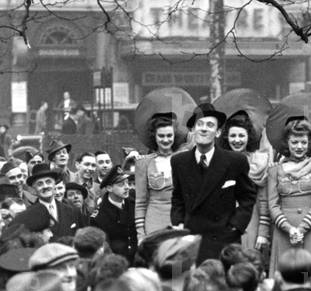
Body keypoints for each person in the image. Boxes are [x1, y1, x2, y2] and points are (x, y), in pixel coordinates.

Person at [170, 103, 257, 265]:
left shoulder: (235, 161)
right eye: (200, 125)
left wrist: (235, 227)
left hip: (224, 239)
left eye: (210, 125)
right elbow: (178, 197)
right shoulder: (178, 162)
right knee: (191, 285)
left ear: (217, 132)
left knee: (225, 286)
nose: (204, 129)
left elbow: (248, 197)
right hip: (191, 239)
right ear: (193, 130)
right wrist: (178, 223)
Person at [261, 117, 311, 289]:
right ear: (287, 143)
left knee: (307, 277)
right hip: (284, 232)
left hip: (309, 231)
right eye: (295, 142)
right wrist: (289, 229)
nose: (299, 146)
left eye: (303, 142)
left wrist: (301, 229)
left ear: (309, 143)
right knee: (285, 276)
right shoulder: (274, 170)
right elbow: (273, 204)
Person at [220, 110, 271, 251]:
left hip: (250, 220)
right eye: (233, 136)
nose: (237, 140)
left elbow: (263, 199)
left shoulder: (257, 164)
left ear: (248, 137)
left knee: (248, 263)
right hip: (223, 221)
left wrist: (263, 232)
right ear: (226, 137)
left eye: (241, 135)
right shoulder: (219, 162)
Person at [134, 112, 178, 240]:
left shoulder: (183, 159)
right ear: (155, 136)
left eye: (169, 135)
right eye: (161, 136)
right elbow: (140, 203)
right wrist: (141, 235)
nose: (165, 140)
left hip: (178, 222)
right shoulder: (144, 163)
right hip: (154, 223)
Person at [92, 165, 138, 263]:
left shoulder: (134, 203)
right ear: (109, 188)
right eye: (121, 184)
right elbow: (105, 249)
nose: (127, 187)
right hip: (116, 263)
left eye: (127, 183)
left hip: (138, 259)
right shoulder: (99, 216)